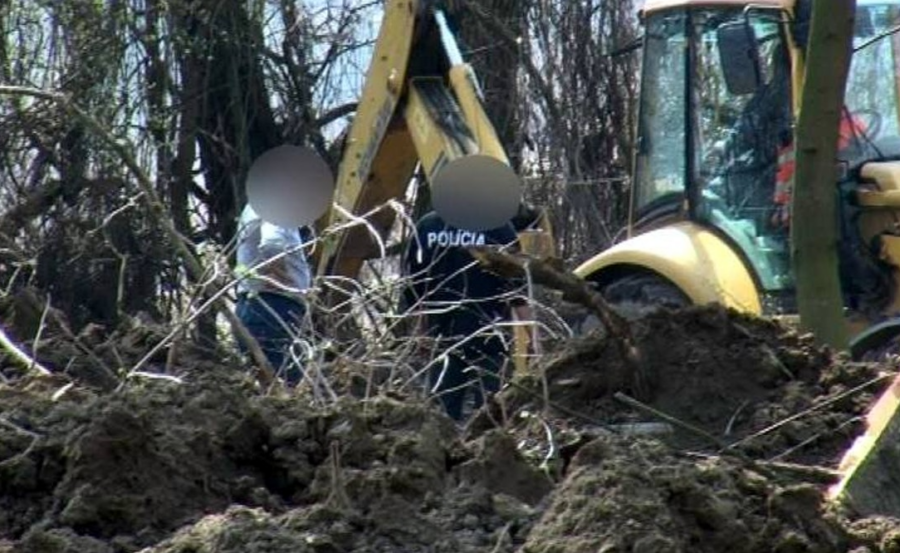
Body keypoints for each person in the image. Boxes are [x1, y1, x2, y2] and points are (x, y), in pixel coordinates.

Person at [402, 209, 533, 421]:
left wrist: (420, 332)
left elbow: (415, 287)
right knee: (492, 415)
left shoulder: (428, 226)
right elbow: (518, 291)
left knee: (442, 415)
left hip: (447, 337)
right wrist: (534, 335)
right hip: (486, 334)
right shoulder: (499, 227)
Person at [234, 203, 311, 385]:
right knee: (283, 383)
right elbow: (272, 243)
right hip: (272, 306)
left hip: (256, 306)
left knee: (266, 387)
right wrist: (279, 278)